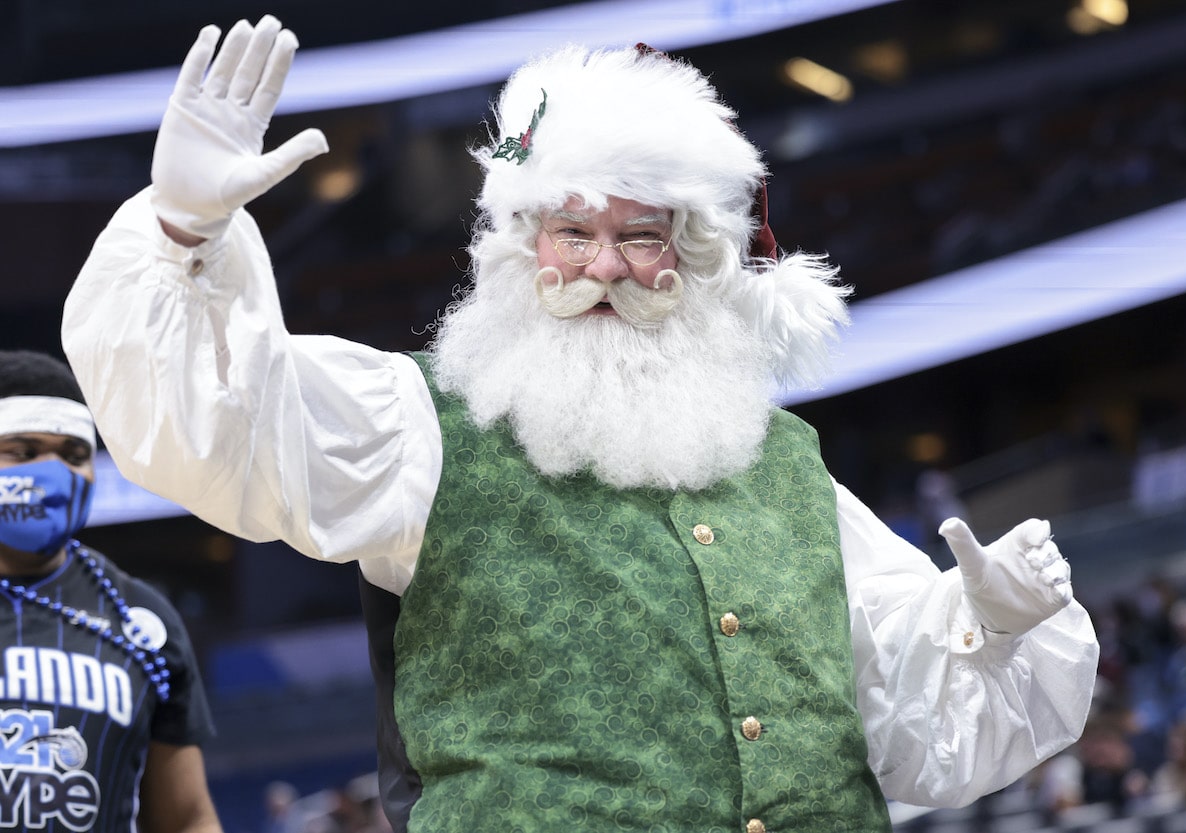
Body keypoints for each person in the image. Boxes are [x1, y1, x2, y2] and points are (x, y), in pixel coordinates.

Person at [61, 16, 1100, 833]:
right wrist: (179, 228)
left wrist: (993, 628)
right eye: (573, 230)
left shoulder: (786, 465)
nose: (603, 266)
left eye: (639, 235)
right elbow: (212, 427)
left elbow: (916, 728)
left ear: (693, 259)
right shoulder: (417, 424)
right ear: (521, 245)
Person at [0, 350, 222, 833]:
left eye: (74, 454)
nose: (54, 472)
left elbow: (185, 818)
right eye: (23, 451)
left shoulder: (143, 618)